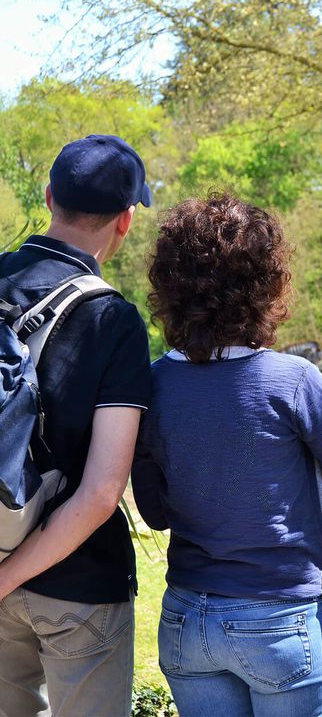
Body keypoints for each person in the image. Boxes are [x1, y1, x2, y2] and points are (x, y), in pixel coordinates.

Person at [131, 193, 322, 717]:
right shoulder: (294, 381)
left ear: (170, 288)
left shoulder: (151, 386)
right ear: (265, 285)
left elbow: (153, 513)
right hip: (282, 620)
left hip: (187, 619)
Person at [0, 135, 153, 717]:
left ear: (48, 197)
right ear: (126, 221)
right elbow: (101, 492)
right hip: (78, 586)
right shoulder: (112, 320)